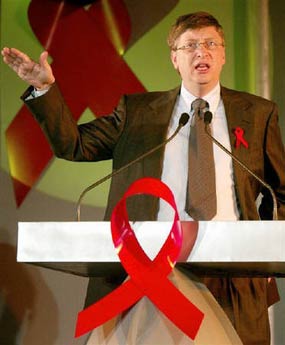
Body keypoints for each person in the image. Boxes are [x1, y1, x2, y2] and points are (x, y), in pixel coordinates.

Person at [2, 11, 285, 344]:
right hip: (152, 271)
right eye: (190, 45)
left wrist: (265, 249)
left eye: (210, 43)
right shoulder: (137, 112)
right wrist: (43, 88)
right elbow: (74, 145)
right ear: (175, 59)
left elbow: (280, 190)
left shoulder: (258, 113)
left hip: (233, 276)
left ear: (222, 54)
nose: (201, 53)